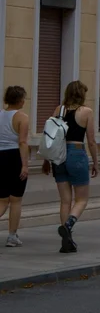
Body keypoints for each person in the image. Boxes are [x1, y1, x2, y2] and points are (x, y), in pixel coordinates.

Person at [44, 79, 98, 253]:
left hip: (58, 156)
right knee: (81, 199)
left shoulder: (58, 110)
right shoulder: (87, 112)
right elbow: (91, 140)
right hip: (76, 152)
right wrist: (96, 162)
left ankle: (66, 241)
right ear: (82, 94)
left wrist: (46, 160)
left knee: (65, 200)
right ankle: (68, 225)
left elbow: (49, 137)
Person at [0, 85, 30, 248]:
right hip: (14, 157)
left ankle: (12, 235)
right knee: (16, 199)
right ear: (19, 100)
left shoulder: (0, 115)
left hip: (0, 156)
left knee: (2, 199)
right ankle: (12, 236)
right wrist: (24, 165)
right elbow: (22, 142)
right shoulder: (22, 117)